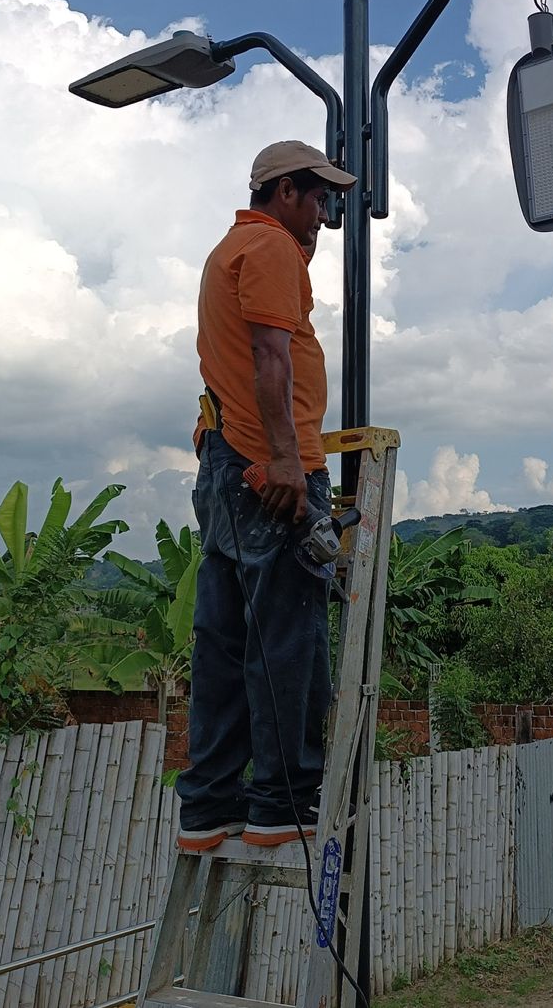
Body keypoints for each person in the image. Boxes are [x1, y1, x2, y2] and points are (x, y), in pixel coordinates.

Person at [176, 140, 356, 851]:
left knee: (223, 641)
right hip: (270, 471)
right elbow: (269, 354)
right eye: (318, 198)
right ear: (285, 192)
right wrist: (286, 460)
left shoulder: (232, 249)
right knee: (288, 640)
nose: (324, 214)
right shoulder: (272, 247)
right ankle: (283, 800)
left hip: (228, 465)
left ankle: (210, 805)